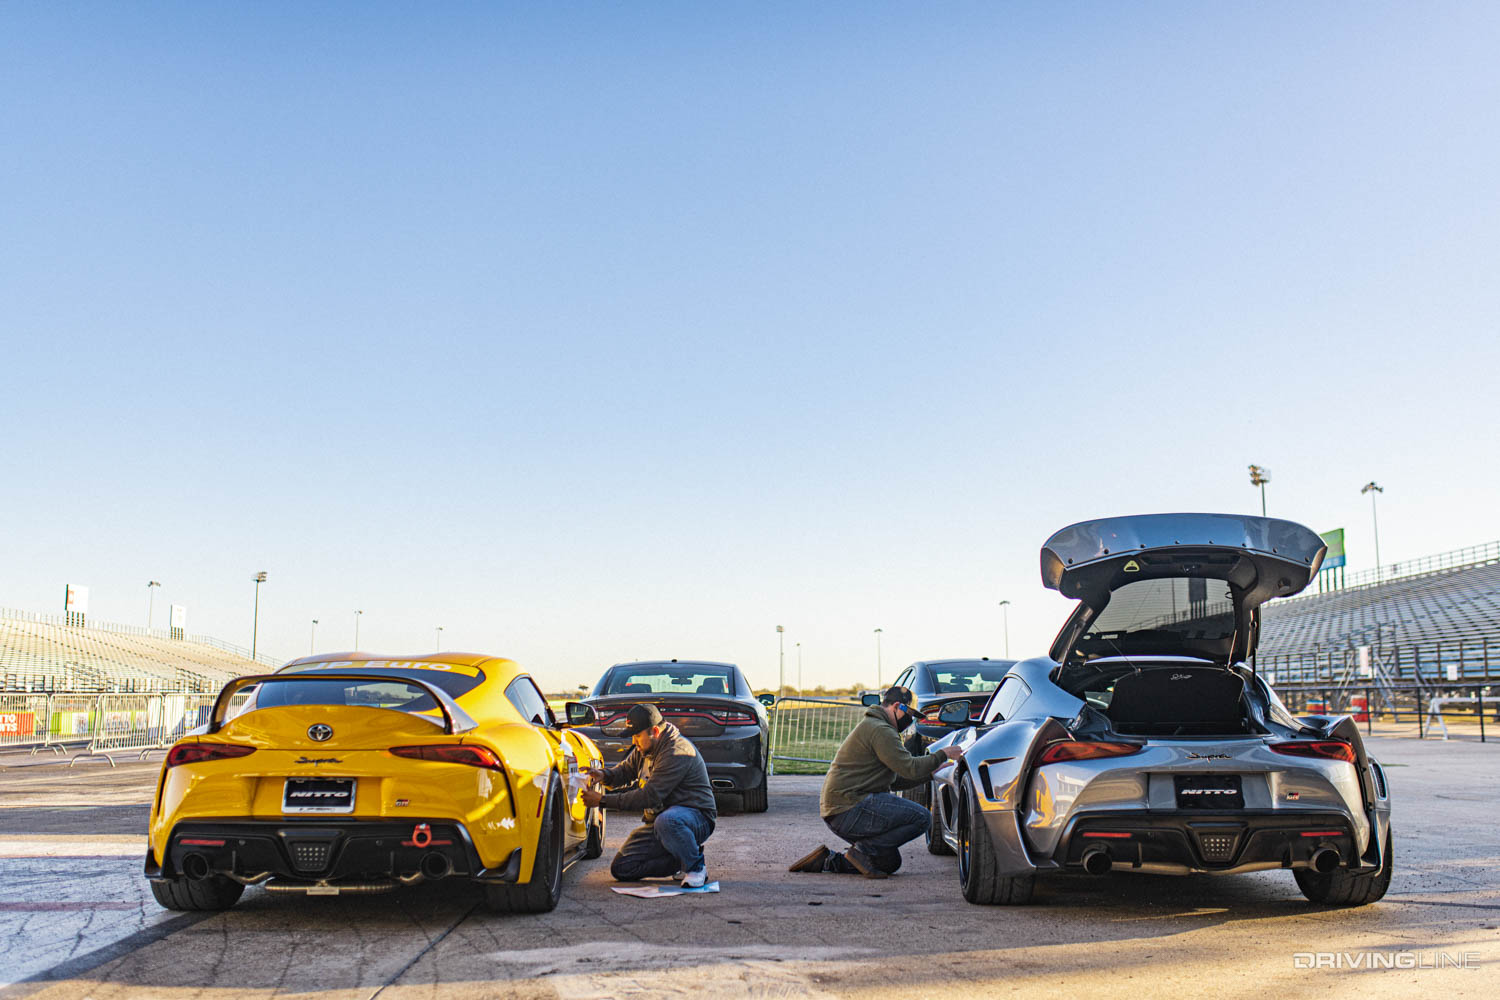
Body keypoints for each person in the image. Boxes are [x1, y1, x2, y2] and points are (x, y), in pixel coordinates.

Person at [789, 685, 962, 878]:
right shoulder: (881, 730)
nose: (911, 720)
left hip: (839, 811)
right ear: (897, 706)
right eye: (910, 714)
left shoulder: (875, 727)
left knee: (888, 862)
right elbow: (910, 768)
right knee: (922, 818)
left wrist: (930, 774)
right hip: (849, 806)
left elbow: (896, 780)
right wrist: (943, 754)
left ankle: (830, 861)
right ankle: (862, 850)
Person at [581, 703, 718, 888]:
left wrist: (602, 801)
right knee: (623, 869)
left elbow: (649, 796)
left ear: (654, 731)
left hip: (695, 817)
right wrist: (604, 775)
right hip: (661, 822)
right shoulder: (645, 749)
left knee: (668, 822)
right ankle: (682, 857)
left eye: (637, 735)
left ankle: (695, 867)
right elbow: (625, 771)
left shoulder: (676, 752)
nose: (634, 742)